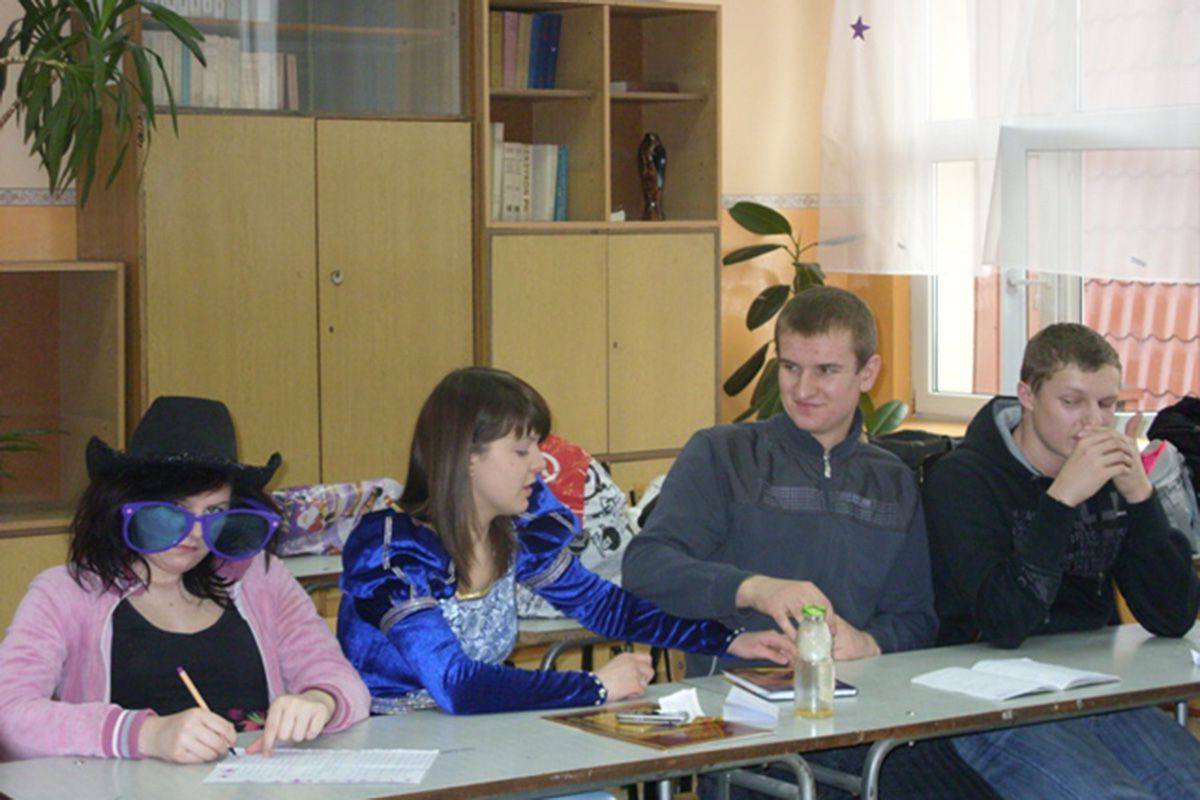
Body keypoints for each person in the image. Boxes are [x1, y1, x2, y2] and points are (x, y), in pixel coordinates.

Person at [622, 287, 997, 799]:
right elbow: (645, 567)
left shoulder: (892, 480)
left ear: (868, 373)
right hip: (746, 732)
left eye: (826, 371)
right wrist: (754, 589)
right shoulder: (723, 455)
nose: (803, 389)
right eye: (790, 367)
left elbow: (916, 618)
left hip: (864, 722)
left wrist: (868, 642)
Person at [337, 367, 795, 715]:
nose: (540, 463)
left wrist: (728, 640)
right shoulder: (393, 550)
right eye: (522, 450)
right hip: (392, 753)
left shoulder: (513, 533)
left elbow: (606, 607)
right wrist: (594, 686)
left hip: (477, 737)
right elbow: (456, 685)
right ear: (466, 458)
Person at [0, 396, 370, 763]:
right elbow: (9, 714)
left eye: (215, 511)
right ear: (126, 504)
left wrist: (320, 700)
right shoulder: (65, 593)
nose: (196, 532)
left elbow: (343, 682)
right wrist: (146, 734)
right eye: (175, 509)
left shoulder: (262, 578)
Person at [923, 322, 1200, 799]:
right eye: (1071, 402)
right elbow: (1004, 623)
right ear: (1026, 396)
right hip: (988, 701)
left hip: (1097, 688)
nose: (1092, 423)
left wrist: (1141, 498)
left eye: (1107, 405)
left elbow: (1173, 616)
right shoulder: (961, 479)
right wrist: (1061, 500)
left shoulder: (1111, 479)